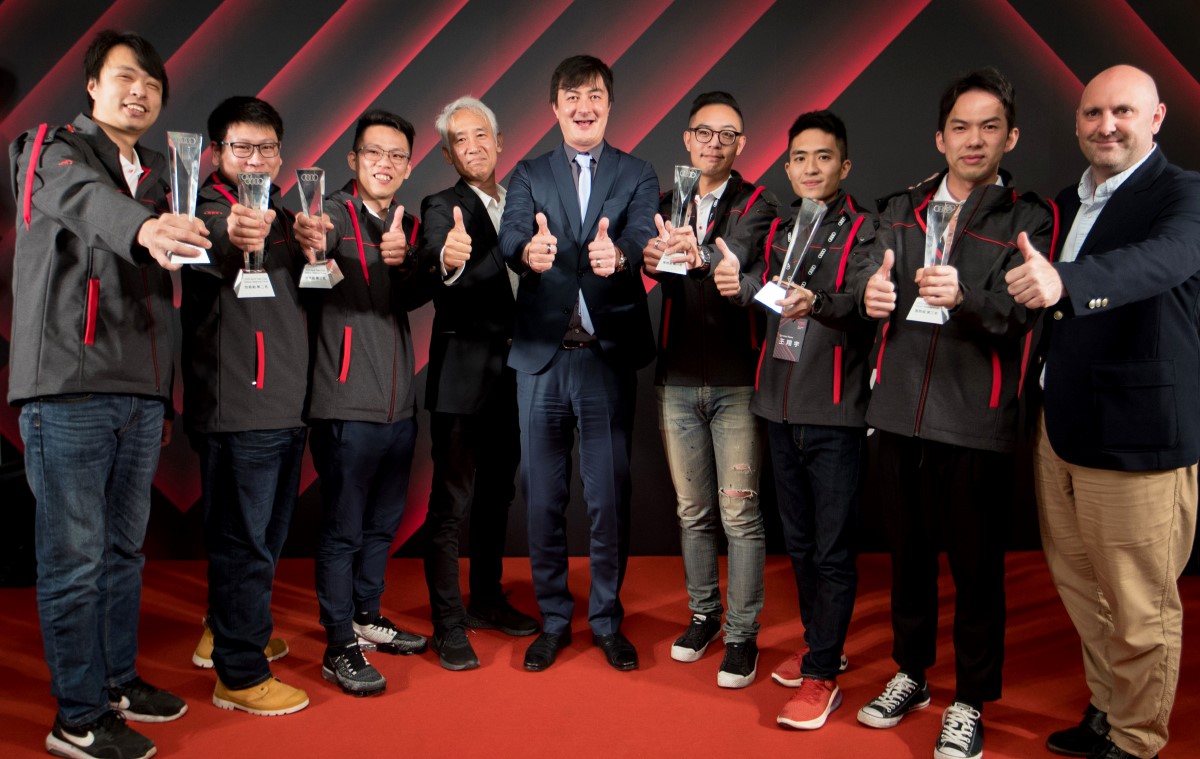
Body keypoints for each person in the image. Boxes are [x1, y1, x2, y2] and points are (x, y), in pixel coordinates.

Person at [9, 29, 210, 759]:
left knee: (125, 551)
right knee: (75, 559)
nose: (140, 92)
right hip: (70, 386)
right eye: (126, 77)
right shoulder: (48, 149)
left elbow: (199, 237)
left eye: (152, 84)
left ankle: (118, 683)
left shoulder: (162, 171)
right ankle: (78, 716)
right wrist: (146, 226)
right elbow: (83, 200)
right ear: (92, 86)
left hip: (142, 391)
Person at [848, 68, 1053, 759]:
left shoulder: (1028, 218)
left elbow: (1022, 316)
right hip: (898, 412)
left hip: (975, 419)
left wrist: (967, 298)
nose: (974, 139)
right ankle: (911, 672)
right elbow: (864, 278)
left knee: (976, 570)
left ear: (1010, 137)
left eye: (989, 126)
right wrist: (869, 295)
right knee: (908, 559)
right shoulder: (899, 208)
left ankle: (969, 699)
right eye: (960, 127)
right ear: (940, 137)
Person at [1006, 64, 1200, 759]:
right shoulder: (1067, 200)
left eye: (1123, 111)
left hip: (1137, 435)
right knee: (1083, 587)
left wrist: (1065, 280)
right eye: (1093, 113)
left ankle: (1138, 740)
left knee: (1140, 603)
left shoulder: (1184, 194)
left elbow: (1162, 261)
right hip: (1060, 425)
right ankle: (1109, 709)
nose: (1106, 125)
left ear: (1157, 118)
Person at [497, 55, 658, 672]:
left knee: (608, 497)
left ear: (609, 105)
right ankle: (555, 621)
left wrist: (621, 257)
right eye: (572, 96)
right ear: (555, 107)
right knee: (541, 497)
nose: (583, 106)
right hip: (541, 360)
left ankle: (608, 621)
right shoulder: (529, 172)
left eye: (594, 95)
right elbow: (512, 234)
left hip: (604, 359)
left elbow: (641, 236)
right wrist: (529, 251)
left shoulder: (637, 172)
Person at [737, 110, 877, 728]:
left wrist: (817, 302)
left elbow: (863, 304)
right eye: (799, 158)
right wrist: (728, 276)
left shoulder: (866, 230)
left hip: (835, 409)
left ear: (843, 165)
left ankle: (822, 675)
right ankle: (824, 646)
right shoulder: (779, 228)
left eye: (823, 157)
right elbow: (753, 287)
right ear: (788, 167)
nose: (811, 168)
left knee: (832, 548)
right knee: (797, 541)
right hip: (777, 404)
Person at [640, 91, 777, 688]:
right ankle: (704, 616)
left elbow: (737, 257)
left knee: (739, 514)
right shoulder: (665, 201)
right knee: (692, 511)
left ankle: (742, 635)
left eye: (727, 134)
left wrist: (699, 257)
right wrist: (648, 257)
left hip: (737, 381)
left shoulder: (758, 203)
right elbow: (651, 261)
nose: (714, 143)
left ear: (741, 144)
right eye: (704, 132)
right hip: (675, 379)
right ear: (687, 139)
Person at [181, 96, 309, 716]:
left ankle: (226, 631)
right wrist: (232, 235)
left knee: (263, 537)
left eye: (267, 148)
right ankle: (240, 673)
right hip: (239, 404)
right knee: (245, 542)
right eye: (242, 148)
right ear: (217, 153)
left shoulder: (287, 215)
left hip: (285, 402)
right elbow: (214, 243)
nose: (256, 159)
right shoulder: (203, 208)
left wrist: (318, 247)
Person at [293, 110, 428, 696]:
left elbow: (413, 295)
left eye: (397, 155)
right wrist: (313, 244)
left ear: (408, 166)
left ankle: (367, 616)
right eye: (375, 152)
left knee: (382, 523)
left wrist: (417, 260)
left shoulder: (409, 224)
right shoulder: (324, 214)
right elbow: (308, 267)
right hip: (345, 400)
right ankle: (337, 642)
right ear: (353, 159)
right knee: (344, 528)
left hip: (400, 404)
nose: (385, 164)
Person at [418, 96, 538, 671]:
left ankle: (487, 599)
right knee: (451, 504)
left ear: (499, 141)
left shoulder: (524, 204)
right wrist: (448, 258)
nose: (472, 147)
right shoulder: (441, 206)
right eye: (459, 140)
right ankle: (447, 623)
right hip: (461, 381)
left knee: (497, 495)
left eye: (480, 135)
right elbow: (434, 259)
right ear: (448, 154)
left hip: (516, 376)